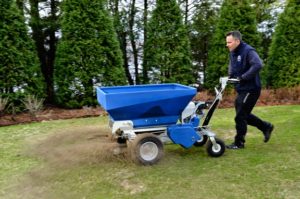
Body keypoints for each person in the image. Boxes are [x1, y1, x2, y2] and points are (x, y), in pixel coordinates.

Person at [225, 30, 274, 149]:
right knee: (243, 115)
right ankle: (265, 126)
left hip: (251, 88)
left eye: (229, 42)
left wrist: (243, 77)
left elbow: (258, 64)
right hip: (241, 88)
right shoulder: (233, 52)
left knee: (240, 116)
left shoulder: (248, 51)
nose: (227, 45)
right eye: (227, 42)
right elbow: (232, 66)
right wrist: (230, 76)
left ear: (237, 41)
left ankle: (239, 142)